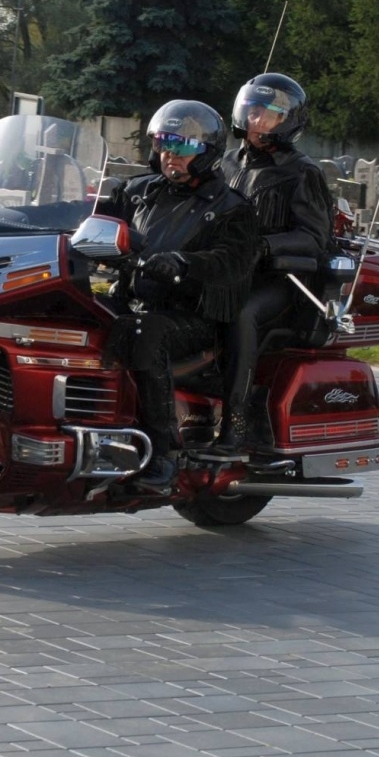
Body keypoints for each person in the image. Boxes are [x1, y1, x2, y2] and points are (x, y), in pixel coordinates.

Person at [96, 101, 257, 491]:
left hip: (192, 317)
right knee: (71, 313)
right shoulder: (138, 192)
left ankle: (164, 456)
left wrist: (184, 264)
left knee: (145, 332)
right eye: (164, 143)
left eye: (182, 146)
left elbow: (232, 262)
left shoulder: (231, 210)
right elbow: (93, 218)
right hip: (132, 299)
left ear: (207, 154)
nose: (170, 153)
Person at [213, 72, 335, 453]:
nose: (258, 120)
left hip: (280, 281)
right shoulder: (225, 164)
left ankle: (238, 420)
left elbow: (315, 239)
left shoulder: (301, 172)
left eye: (269, 114)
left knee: (240, 313)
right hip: (224, 271)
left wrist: (264, 246)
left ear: (289, 120)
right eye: (252, 111)